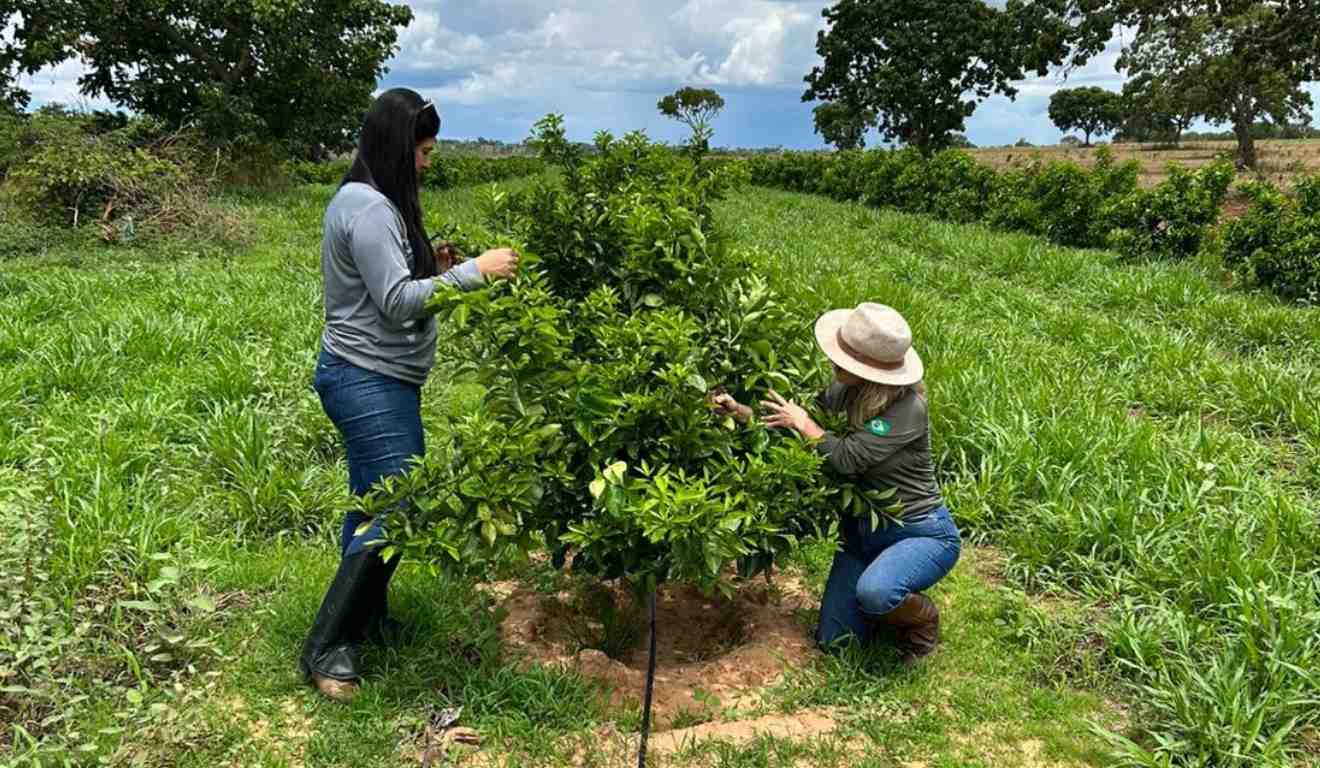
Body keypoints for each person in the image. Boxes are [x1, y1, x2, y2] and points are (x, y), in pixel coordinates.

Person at [300, 88, 519, 702]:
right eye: (423, 150)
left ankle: (361, 624)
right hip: (365, 379)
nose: (428, 162)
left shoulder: (369, 203)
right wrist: (471, 271)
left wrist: (433, 267)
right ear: (399, 147)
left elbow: (388, 284)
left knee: (373, 504)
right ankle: (326, 647)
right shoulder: (368, 209)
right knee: (397, 506)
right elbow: (395, 302)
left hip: (379, 378)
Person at [713, 303, 960, 664]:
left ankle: (920, 622)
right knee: (836, 643)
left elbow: (846, 458)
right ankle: (879, 602)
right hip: (861, 534)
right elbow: (792, 422)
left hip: (917, 531)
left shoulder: (908, 409)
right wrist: (740, 411)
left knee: (876, 593)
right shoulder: (845, 391)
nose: (834, 361)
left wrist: (806, 426)